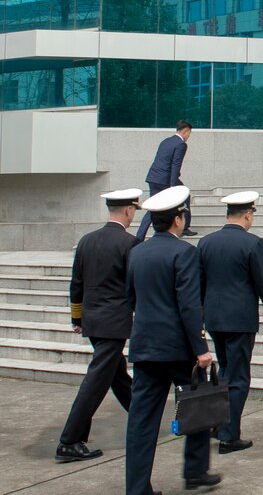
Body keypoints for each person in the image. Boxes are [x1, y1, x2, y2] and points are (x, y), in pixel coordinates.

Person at [124, 185, 220, 494]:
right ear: (178, 219)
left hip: (145, 347)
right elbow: (189, 305)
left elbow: (131, 298)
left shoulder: (136, 252)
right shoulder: (184, 252)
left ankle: (137, 488)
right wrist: (201, 349)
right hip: (178, 350)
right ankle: (195, 472)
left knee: (141, 422)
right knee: (199, 406)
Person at [55, 188, 142, 463]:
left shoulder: (87, 241)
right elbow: (135, 287)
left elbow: (76, 283)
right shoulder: (131, 244)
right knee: (96, 382)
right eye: (133, 211)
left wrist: (77, 317)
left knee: (116, 374)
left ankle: (141, 417)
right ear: (128, 210)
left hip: (93, 321)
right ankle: (70, 440)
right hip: (114, 324)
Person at [197, 191, 263, 455]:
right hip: (240, 321)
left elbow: (198, 284)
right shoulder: (252, 244)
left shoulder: (206, 243)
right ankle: (229, 435)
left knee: (225, 373)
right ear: (247, 214)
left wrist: (199, 317)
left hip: (214, 318)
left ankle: (218, 424)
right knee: (239, 377)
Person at [136, 121, 195, 241]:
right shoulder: (181, 144)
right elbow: (175, 165)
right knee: (185, 196)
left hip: (153, 178)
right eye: (189, 133)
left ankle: (139, 237)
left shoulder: (165, 141)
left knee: (152, 208)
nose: (189, 136)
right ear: (185, 131)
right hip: (166, 179)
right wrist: (174, 186)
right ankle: (184, 228)